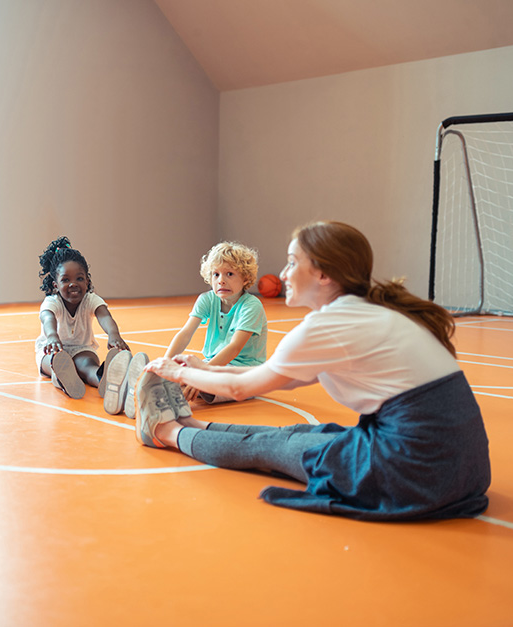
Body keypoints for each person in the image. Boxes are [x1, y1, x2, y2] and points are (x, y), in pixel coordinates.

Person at [137, 221, 491, 521]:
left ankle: (167, 432)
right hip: (462, 468)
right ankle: (195, 423)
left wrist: (177, 372)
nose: (285, 273)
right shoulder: (368, 311)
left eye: (293, 263)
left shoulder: (327, 326)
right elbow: (277, 377)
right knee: (295, 434)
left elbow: (244, 387)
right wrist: (198, 366)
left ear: (323, 273)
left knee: (271, 448)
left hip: (416, 471)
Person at [163, 241, 267, 404]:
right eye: (216, 274)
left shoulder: (251, 305)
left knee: (198, 382)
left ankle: (166, 398)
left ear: (245, 278)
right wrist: (165, 365)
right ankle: (153, 389)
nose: (221, 281)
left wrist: (202, 374)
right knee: (179, 372)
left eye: (229, 274)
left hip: (245, 372)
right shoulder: (207, 299)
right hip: (212, 364)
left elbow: (235, 347)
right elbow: (185, 333)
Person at [35, 237, 130, 400]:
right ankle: (62, 377)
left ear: (87, 280)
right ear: (55, 285)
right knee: (52, 362)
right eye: (66, 280)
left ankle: (103, 379)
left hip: (82, 349)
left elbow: (105, 316)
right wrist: (52, 337)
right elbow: (47, 318)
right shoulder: (53, 301)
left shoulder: (91, 299)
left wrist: (114, 335)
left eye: (79, 278)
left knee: (87, 366)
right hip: (54, 349)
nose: (73, 283)